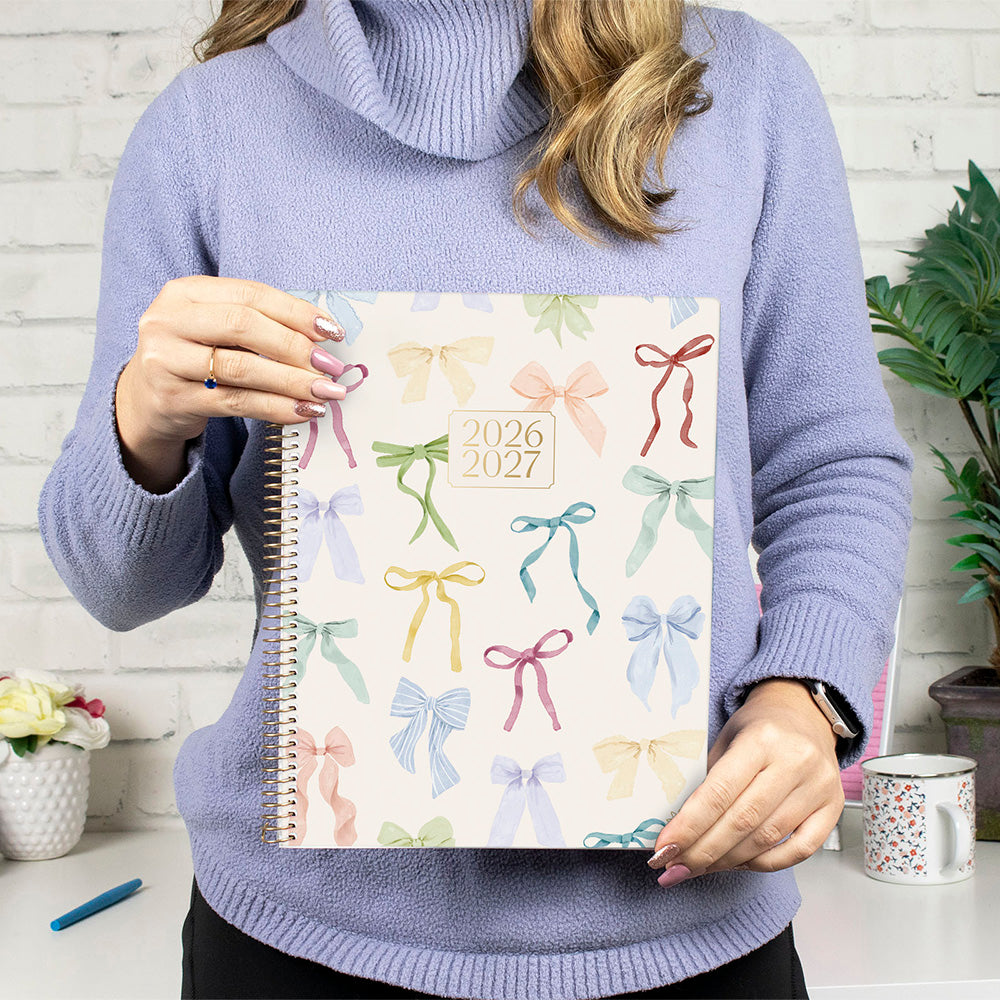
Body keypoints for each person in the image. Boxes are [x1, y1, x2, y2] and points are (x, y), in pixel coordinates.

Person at [36, 1, 914, 998]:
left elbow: (833, 462)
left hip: (692, 919)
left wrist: (804, 699)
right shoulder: (208, 128)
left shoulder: (744, 89)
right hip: (299, 944)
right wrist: (141, 424)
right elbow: (123, 588)